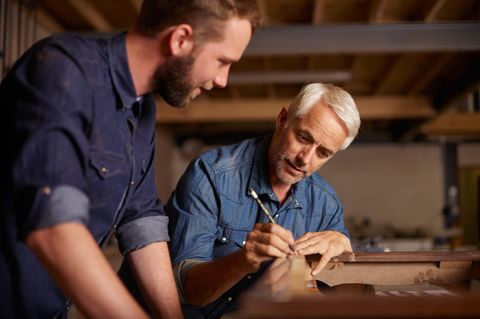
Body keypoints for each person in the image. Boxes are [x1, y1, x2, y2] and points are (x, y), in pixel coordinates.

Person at [0, 0, 261, 318]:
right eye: (222, 61)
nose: (223, 80)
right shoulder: (62, 70)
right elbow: (54, 228)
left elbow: (141, 220)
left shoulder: (142, 109)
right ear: (180, 39)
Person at [166, 82, 361, 318]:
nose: (305, 159)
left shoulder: (326, 204)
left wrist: (342, 243)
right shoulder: (211, 175)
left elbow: (337, 291)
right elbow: (188, 291)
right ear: (282, 119)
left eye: (323, 153)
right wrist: (243, 261)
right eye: (303, 137)